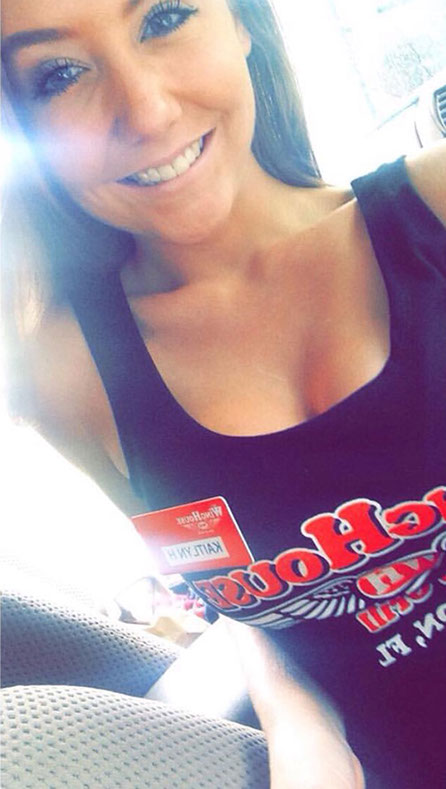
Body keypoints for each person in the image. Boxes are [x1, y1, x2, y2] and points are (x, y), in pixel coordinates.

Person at [1, 0, 445, 786]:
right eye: (60, 74)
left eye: (164, 17)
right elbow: (247, 596)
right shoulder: (68, 380)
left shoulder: (434, 208)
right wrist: (300, 730)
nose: (147, 110)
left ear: (244, 22)